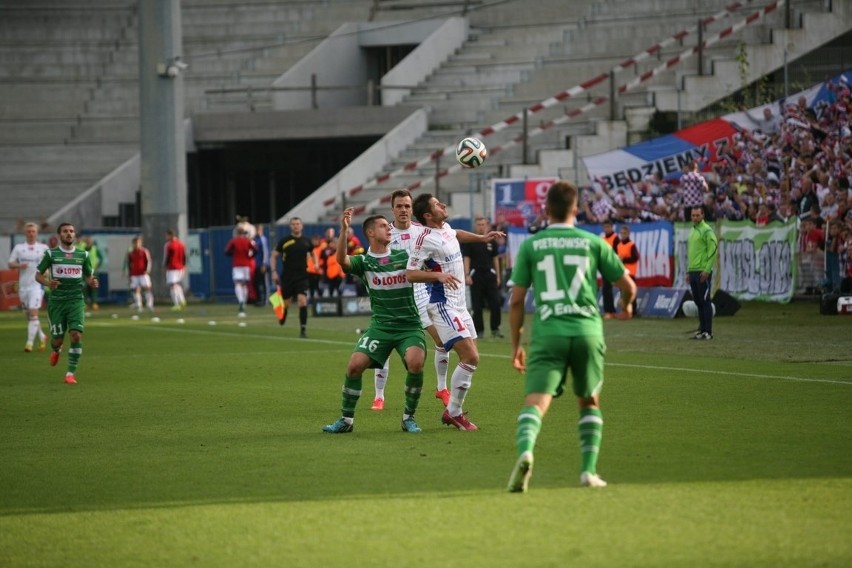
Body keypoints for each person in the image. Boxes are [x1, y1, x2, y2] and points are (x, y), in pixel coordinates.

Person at [506, 181, 637, 493]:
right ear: (576, 210)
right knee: (589, 400)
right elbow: (628, 287)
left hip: (549, 332)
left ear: (546, 210)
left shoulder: (531, 246)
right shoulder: (594, 242)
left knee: (536, 401)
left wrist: (516, 345)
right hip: (587, 331)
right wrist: (626, 306)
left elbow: (515, 300)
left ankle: (526, 451)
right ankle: (588, 472)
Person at [322, 208, 455, 434]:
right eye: (384, 226)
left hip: (409, 326)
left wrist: (439, 275)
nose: (389, 229)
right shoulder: (364, 262)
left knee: (415, 363)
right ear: (371, 233)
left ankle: (408, 418)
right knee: (354, 367)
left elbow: (425, 268)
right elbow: (341, 261)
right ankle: (346, 420)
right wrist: (344, 231)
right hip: (380, 327)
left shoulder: (404, 257)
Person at [406, 193, 503, 431]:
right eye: (437, 204)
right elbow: (410, 273)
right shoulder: (423, 239)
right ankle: (454, 413)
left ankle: (452, 410)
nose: (443, 205)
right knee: (470, 357)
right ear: (428, 215)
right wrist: (436, 275)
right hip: (443, 305)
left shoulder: (446, 228)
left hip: (459, 305)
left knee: (471, 359)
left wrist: (481, 238)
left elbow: (456, 233)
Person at [34, 223, 99, 385]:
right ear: (59, 235)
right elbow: (38, 276)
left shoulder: (83, 255)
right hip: (57, 302)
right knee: (57, 339)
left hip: (76, 300)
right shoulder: (51, 254)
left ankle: (70, 373)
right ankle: (56, 349)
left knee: (76, 334)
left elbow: (88, 275)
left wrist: (92, 282)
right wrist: (48, 283)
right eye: (65, 231)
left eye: (71, 231)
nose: (69, 234)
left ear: (74, 234)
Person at [7, 222, 49, 352]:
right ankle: (42, 337)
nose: (31, 233)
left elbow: (50, 264)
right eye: (29, 231)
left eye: (33, 231)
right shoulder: (19, 248)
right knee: (30, 316)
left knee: (33, 314)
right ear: (25, 233)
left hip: (37, 286)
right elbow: (10, 263)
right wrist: (19, 266)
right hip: (23, 287)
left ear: (37, 233)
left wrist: (47, 271)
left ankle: (29, 343)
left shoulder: (43, 248)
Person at [462, 216, 504, 338]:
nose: (481, 226)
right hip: (476, 276)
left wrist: (498, 275)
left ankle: (495, 329)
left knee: (495, 303)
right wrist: (467, 274)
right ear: (476, 226)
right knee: (477, 305)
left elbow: (495, 258)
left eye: (483, 224)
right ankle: (479, 331)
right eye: (479, 224)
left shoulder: (492, 241)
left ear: (486, 225)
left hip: (490, 275)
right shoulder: (471, 241)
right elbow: (467, 258)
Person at [270, 217, 312, 337]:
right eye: (293, 224)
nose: (295, 226)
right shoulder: (284, 241)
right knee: (286, 303)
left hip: (302, 276)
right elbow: (273, 256)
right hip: (288, 276)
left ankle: (303, 330)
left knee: (302, 301)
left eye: (298, 224)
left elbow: (312, 254)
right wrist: (273, 271)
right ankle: (283, 314)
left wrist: (316, 264)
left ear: (302, 226)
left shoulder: (307, 241)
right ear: (290, 226)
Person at [687, 205, 719, 340]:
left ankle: (708, 332)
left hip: (702, 271)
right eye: (693, 215)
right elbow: (692, 253)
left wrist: (707, 270)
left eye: (697, 215)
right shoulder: (693, 231)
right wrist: (688, 272)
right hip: (693, 271)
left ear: (703, 215)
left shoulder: (707, 231)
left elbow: (713, 250)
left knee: (705, 302)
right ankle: (701, 330)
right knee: (698, 302)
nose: (695, 218)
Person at [224, 228, 257, 317]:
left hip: (237, 265)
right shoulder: (248, 241)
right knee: (244, 284)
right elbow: (256, 249)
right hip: (246, 264)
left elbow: (226, 251)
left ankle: (241, 301)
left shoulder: (234, 241)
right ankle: (244, 302)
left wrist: (233, 254)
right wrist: (250, 256)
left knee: (237, 283)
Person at [125, 236, 155, 314]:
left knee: (147, 288)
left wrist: (147, 270)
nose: (136, 244)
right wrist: (129, 274)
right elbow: (129, 264)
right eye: (135, 243)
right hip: (134, 274)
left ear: (140, 243)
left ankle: (149, 304)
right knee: (136, 289)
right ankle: (139, 305)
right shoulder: (131, 253)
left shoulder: (144, 251)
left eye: (138, 243)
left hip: (143, 273)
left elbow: (148, 261)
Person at [616, 224, 640, 315]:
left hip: (630, 272)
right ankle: (625, 310)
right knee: (622, 292)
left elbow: (635, 257)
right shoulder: (619, 245)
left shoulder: (631, 244)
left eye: (625, 233)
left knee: (630, 292)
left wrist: (624, 259)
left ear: (628, 234)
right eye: (621, 233)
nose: (623, 235)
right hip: (622, 272)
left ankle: (633, 311)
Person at [163, 229, 187, 311]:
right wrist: (184, 265)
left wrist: (165, 265)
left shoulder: (169, 245)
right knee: (176, 284)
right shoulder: (181, 244)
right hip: (181, 268)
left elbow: (167, 257)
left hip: (172, 268)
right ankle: (182, 300)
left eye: (166, 235)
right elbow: (184, 256)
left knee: (172, 285)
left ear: (170, 235)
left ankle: (176, 304)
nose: (166, 237)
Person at [76, 235, 102, 310]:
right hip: (84, 271)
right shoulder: (81, 249)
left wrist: (98, 266)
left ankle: (94, 302)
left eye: (89, 241)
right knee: (84, 287)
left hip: (93, 271)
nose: (88, 242)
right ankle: (85, 303)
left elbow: (101, 258)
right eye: (86, 241)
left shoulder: (95, 249)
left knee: (94, 287)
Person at [599, 221, 618, 319]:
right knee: (606, 288)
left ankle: (612, 311)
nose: (606, 229)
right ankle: (609, 311)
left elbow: (617, 252)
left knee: (608, 288)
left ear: (612, 227)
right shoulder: (602, 239)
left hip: (612, 265)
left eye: (608, 227)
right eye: (605, 227)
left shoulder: (615, 238)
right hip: (605, 265)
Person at [252, 224, 271, 307]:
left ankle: (266, 300)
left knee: (264, 283)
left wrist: (264, 264)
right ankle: (259, 299)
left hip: (262, 264)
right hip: (256, 264)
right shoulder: (254, 240)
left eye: (258, 230)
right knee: (256, 282)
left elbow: (265, 252)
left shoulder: (262, 239)